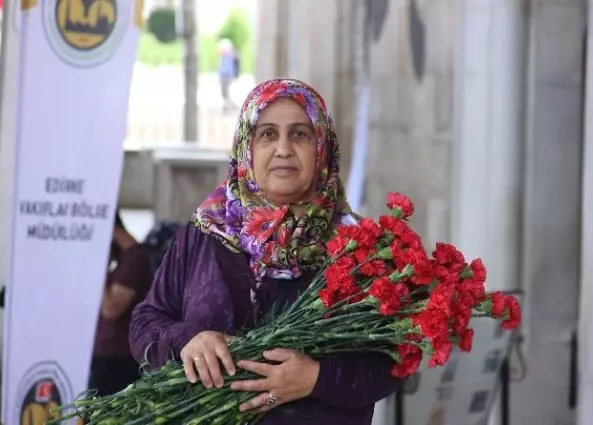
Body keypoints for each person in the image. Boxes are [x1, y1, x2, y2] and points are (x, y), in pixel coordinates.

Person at [129, 78, 400, 424]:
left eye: (300, 134)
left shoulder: (359, 249)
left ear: (322, 146)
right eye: (268, 134)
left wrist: (317, 378)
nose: (283, 149)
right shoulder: (205, 233)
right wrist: (186, 340)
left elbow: (392, 362)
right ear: (247, 147)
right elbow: (144, 323)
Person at [90, 211, 154, 396]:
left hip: (118, 358)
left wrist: (97, 264)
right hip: (111, 356)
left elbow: (111, 309)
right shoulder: (127, 259)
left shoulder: (134, 260)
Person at [217, 38, 239, 111]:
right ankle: (227, 106)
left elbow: (228, 68)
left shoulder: (230, 56)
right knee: (224, 93)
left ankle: (231, 106)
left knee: (226, 93)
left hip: (226, 76)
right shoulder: (223, 57)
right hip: (224, 76)